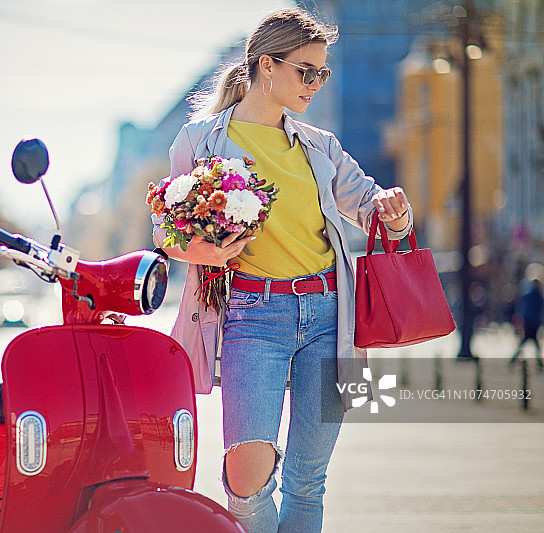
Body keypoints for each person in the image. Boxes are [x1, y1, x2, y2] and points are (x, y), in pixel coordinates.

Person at [152, 8, 414, 533]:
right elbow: (165, 233)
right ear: (267, 66)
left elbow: (370, 206)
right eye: (305, 71)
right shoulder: (200, 140)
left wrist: (395, 211)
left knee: (306, 481)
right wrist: (203, 253)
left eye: (323, 73)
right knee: (246, 478)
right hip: (252, 316)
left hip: (328, 317)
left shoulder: (320, 145)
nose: (315, 84)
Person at [509, 278, 544, 370]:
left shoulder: (528, 294)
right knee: (531, 341)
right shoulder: (538, 295)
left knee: (527, 341)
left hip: (528, 321)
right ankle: (539, 362)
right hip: (534, 322)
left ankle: (514, 358)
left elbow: (522, 307)